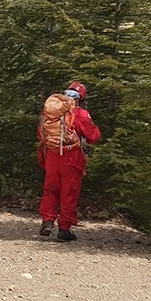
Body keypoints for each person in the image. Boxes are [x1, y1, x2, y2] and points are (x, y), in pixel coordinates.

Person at [37, 81, 102, 242]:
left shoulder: (51, 113)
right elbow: (93, 137)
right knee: (69, 192)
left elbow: (40, 135)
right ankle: (64, 228)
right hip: (71, 157)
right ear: (81, 98)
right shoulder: (80, 114)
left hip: (52, 156)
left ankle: (47, 221)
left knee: (50, 189)